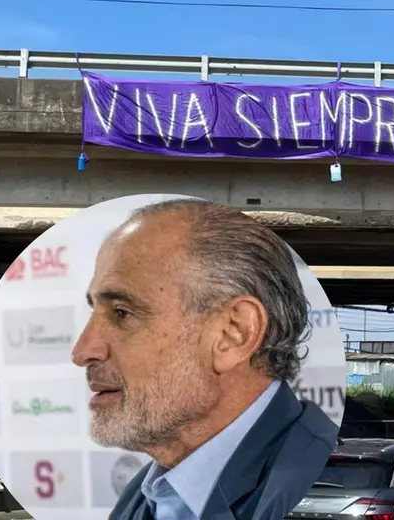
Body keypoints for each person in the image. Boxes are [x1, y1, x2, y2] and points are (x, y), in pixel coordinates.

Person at [71, 198, 338, 520]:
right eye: (94, 312)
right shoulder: (149, 493)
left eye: (122, 313)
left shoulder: (298, 488)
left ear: (233, 334)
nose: (83, 351)